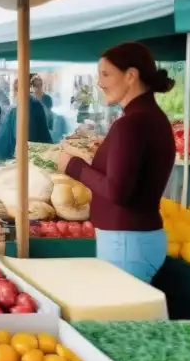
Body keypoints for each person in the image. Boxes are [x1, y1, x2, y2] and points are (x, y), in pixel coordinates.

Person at [58, 42, 176, 282]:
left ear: (131, 75)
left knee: (122, 318)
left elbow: (118, 191)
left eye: (105, 74)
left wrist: (74, 166)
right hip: (136, 239)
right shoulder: (152, 117)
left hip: (126, 242)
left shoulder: (131, 123)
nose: (99, 82)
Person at [0, 76, 52, 161]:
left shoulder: (23, 108)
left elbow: (24, 137)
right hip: (35, 154)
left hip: (23, 158)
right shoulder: (35, 105)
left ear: (16, 90)